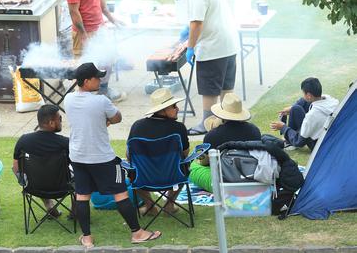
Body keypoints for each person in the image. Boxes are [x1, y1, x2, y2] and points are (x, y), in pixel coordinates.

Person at [65, 62, 161, 247]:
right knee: (120, 194)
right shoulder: (101, 101)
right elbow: (117, 118)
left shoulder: (68, 99)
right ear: (86, 81)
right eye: (96, 77)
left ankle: (86, 237)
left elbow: (87, 119)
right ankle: (137, 233)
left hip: (77, 156)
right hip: (103, 158)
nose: (100, 80)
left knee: (82, 196)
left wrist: (100, 120)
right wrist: (105, 119)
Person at [170, 0, 239, 135]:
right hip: (229, 44)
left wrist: (190, 47)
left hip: (212, 47)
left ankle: (208, 123)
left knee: (209, 89)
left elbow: (196, 23)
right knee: (226, 86)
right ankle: (228, 120)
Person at [65, 0, 125, 103]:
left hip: (100, 27)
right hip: (84, 31)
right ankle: (85, 99)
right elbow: (73, 11)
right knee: (87, 67)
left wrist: (111, 18)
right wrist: (84, 34)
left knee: (108, 59)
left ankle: (104, 90)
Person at [128, 88, 189, 216]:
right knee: (184, 165)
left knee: (133, 171)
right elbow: (185, 153)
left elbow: (129, 156)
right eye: (174, 106)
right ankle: (169, 205)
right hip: (173, 176)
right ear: (163, 109)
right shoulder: (178, 128)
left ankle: (150, 206)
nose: (177, 108)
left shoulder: (137, 126)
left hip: (143, 178)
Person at [189, 93, 261, 192]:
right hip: (253, 176)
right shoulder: (254, 130)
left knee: (194, 166)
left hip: (225, 183)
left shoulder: (212, 136)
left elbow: (206, 163)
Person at [12, 104, 70, 217]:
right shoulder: (65, 143)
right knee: (83, 174)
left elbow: (16, 167)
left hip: (34, 187)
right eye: (60, 119)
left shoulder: (24, 141)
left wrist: (24, 182)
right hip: (62, 186)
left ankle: (49, 205)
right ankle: (75, 212)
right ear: (51, 123)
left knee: (38, 174)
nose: (61, 121)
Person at [269, 77, 338, 151]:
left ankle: (289, 142)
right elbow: (304, 101)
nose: (303, 95)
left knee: (296, 109)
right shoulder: (330, 99)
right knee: (295, 108)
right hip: (330, 137)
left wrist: (283, 127)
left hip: (318, 144)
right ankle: (289, 138)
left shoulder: (312, 115)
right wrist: (292, 108)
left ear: (308, 95)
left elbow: (299, 142)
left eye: (303, 93)